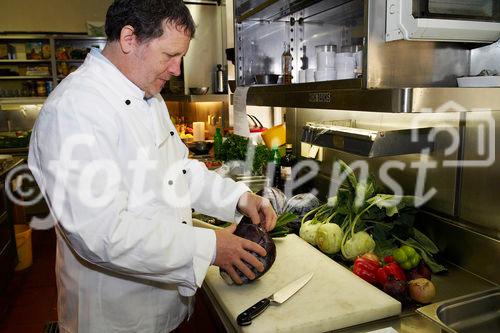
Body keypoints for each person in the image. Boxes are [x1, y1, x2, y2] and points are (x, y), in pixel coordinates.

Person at [27, 1, 276, 332]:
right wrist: (210, 247)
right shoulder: (73, 110)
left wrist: (239, 198)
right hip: (116, 318)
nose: (176, 69)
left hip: (164, 308)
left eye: (181, 58)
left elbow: (179, 172)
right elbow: (103, 233)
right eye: (169, 55)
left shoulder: (149, 98)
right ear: (130, 38)